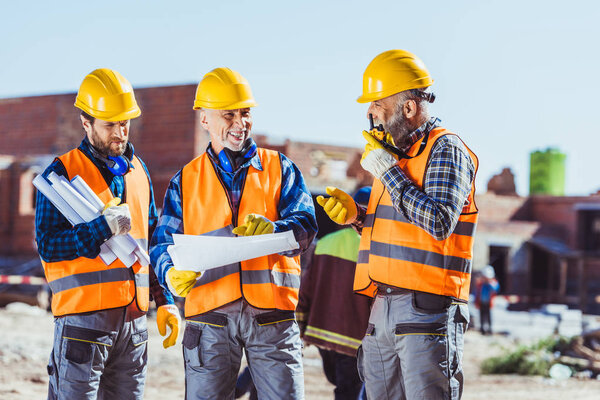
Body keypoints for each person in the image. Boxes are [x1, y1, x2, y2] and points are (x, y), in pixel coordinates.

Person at [317, 49, 479, 399]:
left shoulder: (445, 149)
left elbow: (438, 222)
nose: (370, 114)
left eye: (378, 104)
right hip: (383, 309)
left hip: (426, 311)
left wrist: (387, 172)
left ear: (408, 108)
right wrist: (357, 217)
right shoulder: (392, 156)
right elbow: (400, 227)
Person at [149, 67, 317, 400]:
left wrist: (275, 229)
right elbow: (162, 242)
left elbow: (306, 224)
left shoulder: (280, 168)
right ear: (205, 120)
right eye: (229, 114)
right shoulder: (186, 180)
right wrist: (170, 272)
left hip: (271, 318)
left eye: (245, 113)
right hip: (210, 319)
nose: (240, 122)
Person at [35, 68, 180, 399]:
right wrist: (101, 228)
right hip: (82, 326)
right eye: (110, 124)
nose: (120, 132)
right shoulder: (62, 173)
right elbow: (48, 246)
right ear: (86, 123)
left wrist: (166, 301)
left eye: (124, 122)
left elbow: (152, 244)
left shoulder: (139, 172)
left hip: (134, 328)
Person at [297, 187, 372, 400]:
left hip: (322, 335)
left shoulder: (325, 243)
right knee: (350, 392)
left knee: (341, 385)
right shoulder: (374, 249)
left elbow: (306, 290)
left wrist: (301, 326)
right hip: (355, 340)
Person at [476, 265, 500, 335]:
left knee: (489, 316)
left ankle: (490, 329)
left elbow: (496, 290)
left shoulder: (493, 283)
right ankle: (482, 329)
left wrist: (489, 283)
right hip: (481, 302)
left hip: (489, 303)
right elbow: (477, 292)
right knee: (482, 316)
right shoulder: (480, 283)